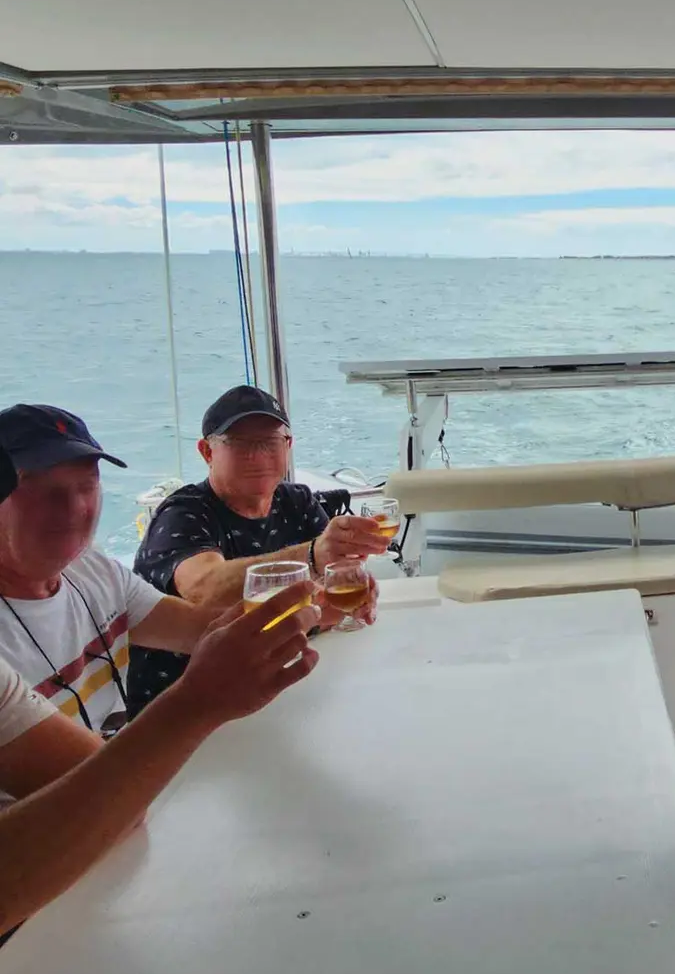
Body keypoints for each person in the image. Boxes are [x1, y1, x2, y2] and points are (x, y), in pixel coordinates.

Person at [0, 580, 321, 939]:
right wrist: (196, 702)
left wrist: (311, 613)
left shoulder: (91, 572)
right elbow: (203, 579)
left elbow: (119, 807)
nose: (79, 518)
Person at [129, 386, 388, 714]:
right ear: (207, 452)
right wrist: (313, 556)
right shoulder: (184, 513)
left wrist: (357, 593)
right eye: (239, 443)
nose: (258, 455)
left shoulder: (298, 502)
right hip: (184, 708)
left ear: (288, 446)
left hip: (273, 687)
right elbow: (203, 588)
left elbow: (327, 596)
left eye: (270, 442)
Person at [0, 404, 222, 741]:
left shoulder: (91, 569)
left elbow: (203, 630)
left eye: (87, 485)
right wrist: (198, 698)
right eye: (44, 490)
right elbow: (82, 785)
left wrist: (305, 606)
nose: (74, 508)